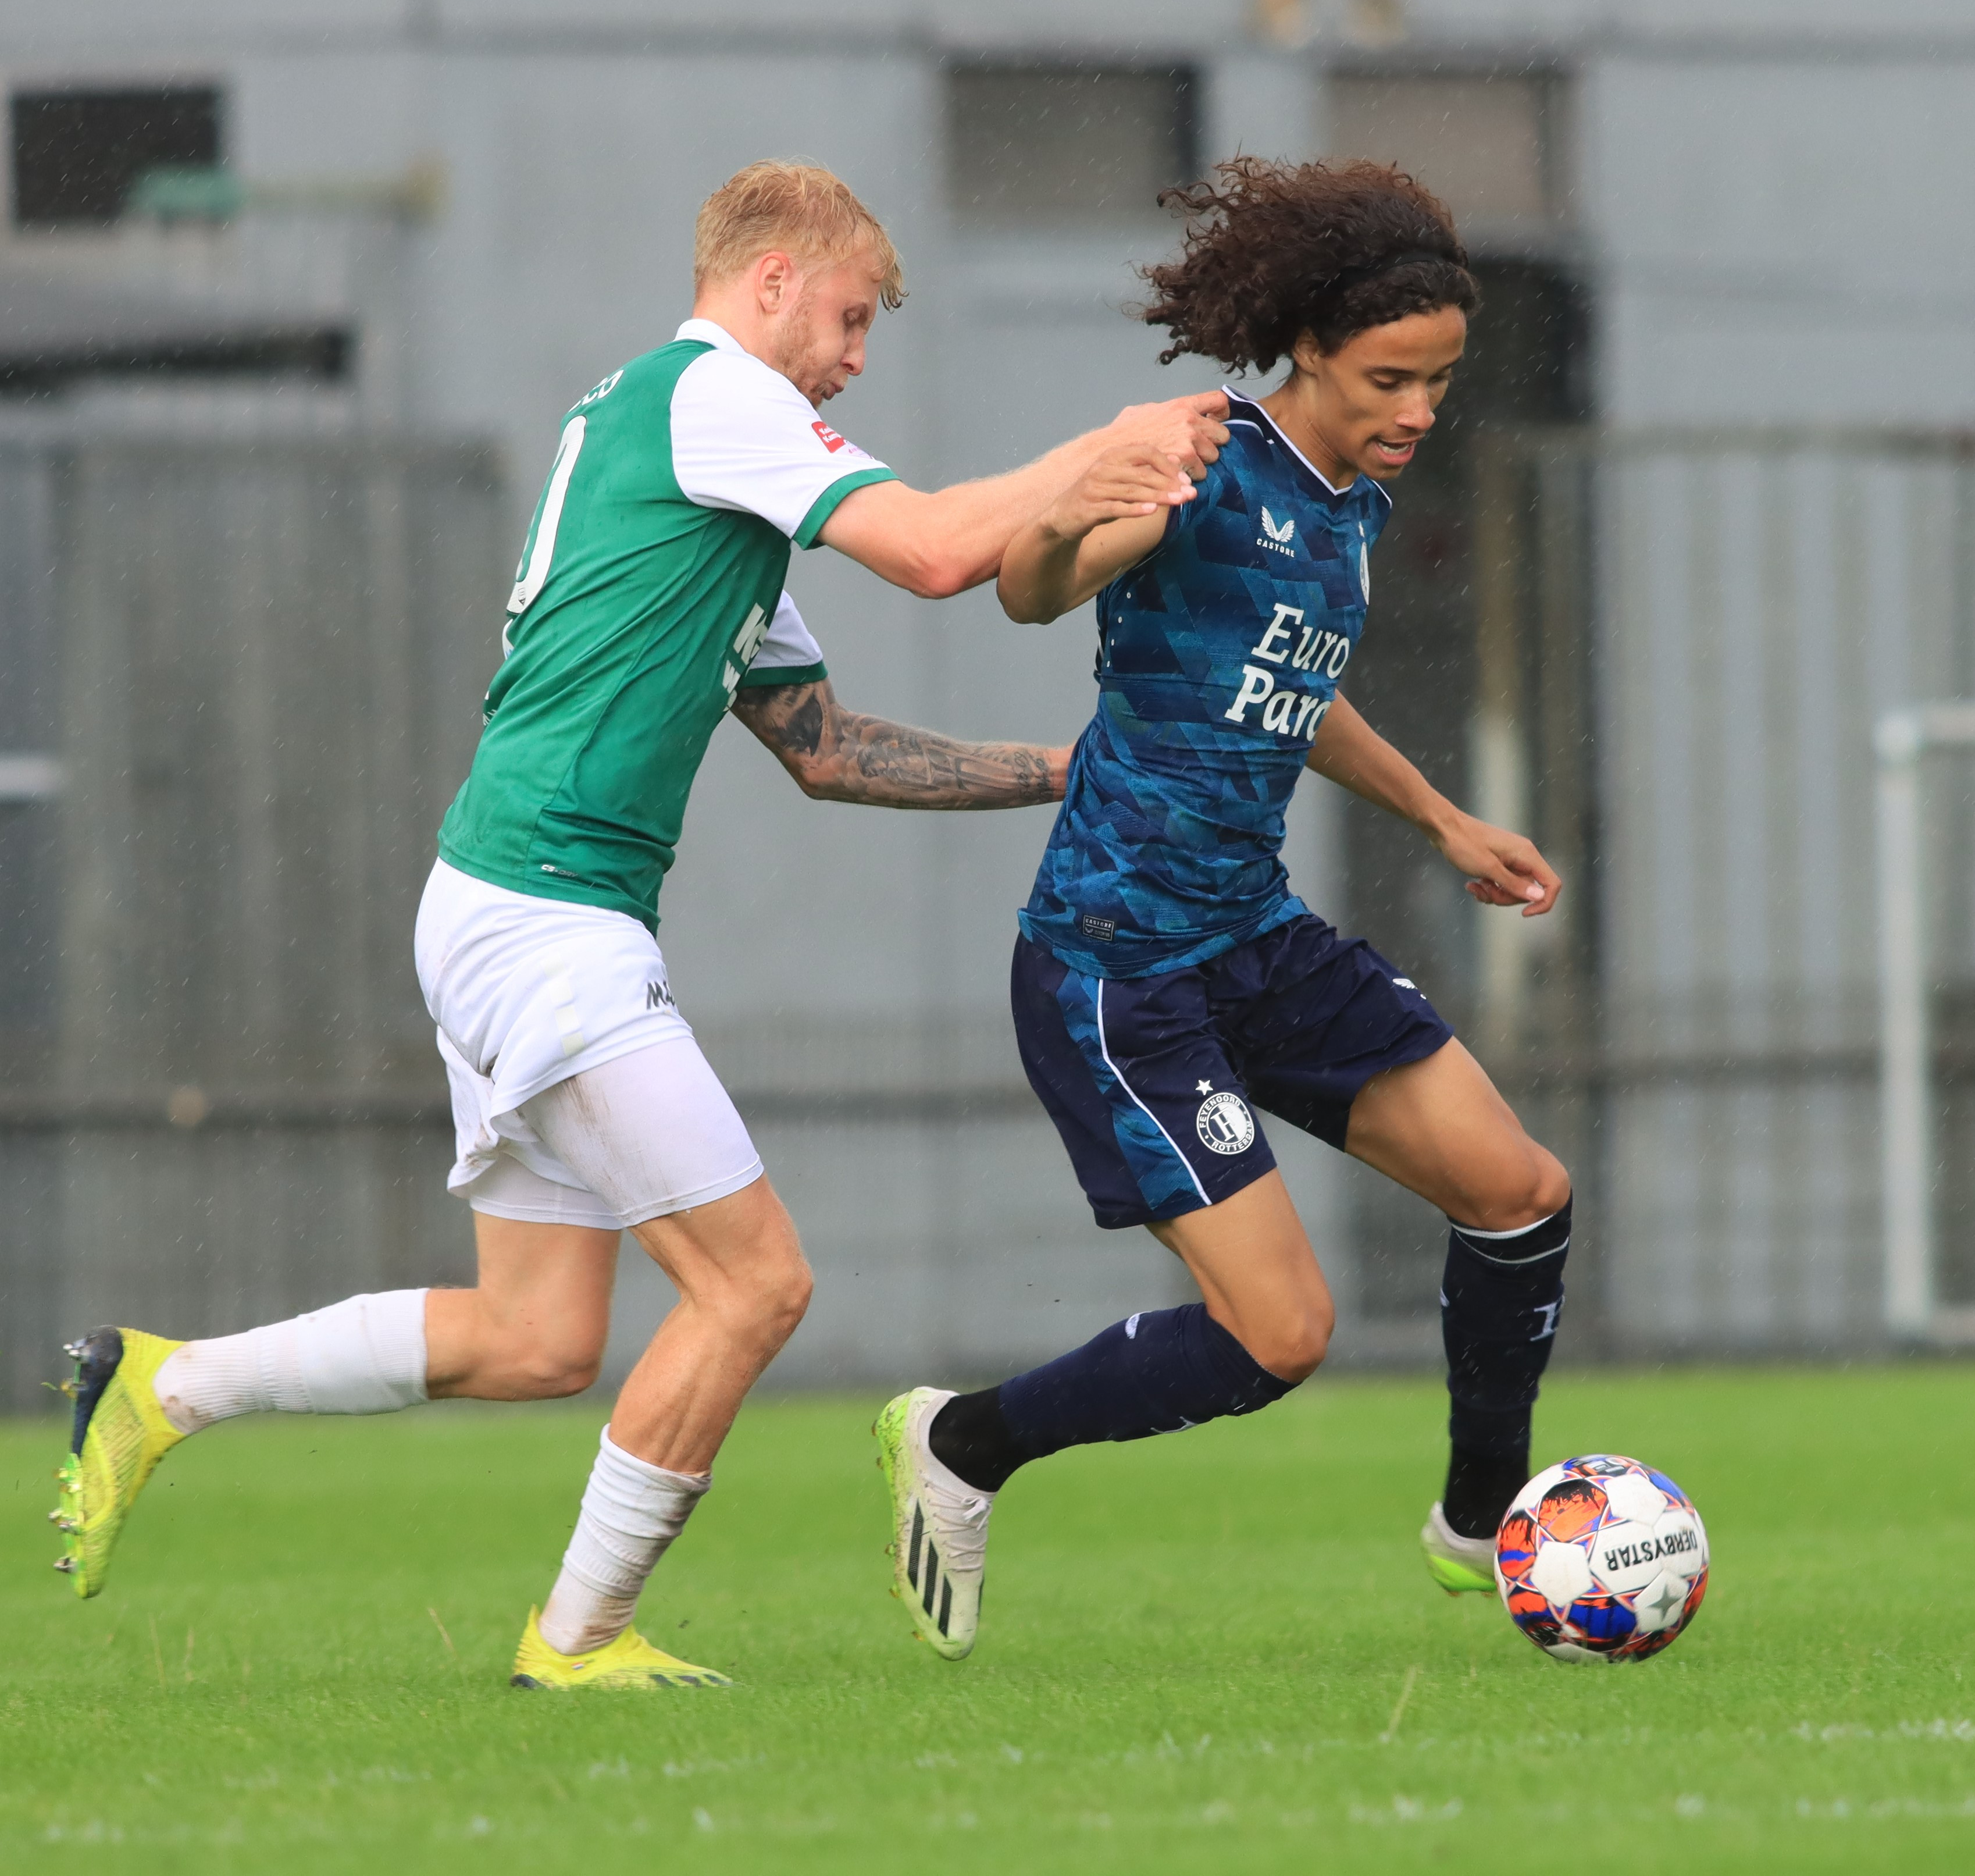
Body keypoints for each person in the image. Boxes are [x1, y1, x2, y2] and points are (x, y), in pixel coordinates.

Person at [52, 160, 1228, 1692]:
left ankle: (166, 1386)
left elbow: (823, 750)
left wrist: (1060, 774)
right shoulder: (712, 396)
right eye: (852, 319)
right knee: (755, 1287)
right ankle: (574, 1642)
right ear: (770, 285)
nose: (857, 357)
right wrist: (1110, 448)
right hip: (541, 918)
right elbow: (939, 553)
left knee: (534, 1339)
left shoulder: (707, 478)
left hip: (514, 906)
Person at [875, 157, 1572, 1661]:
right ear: (1308, 344)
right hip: (1116, 969)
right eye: (1392, 377)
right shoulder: (1204, 458)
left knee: (1517, 1194)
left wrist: (1445, 819)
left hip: (1252, 937)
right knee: (1284, 1338)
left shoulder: (1353, 504)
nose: (1417, 410)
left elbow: (1290, 694)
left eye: (1440, 383)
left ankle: (1481, 1520)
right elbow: (1030, 587)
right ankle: (962, 1445)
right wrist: (1073, 515)